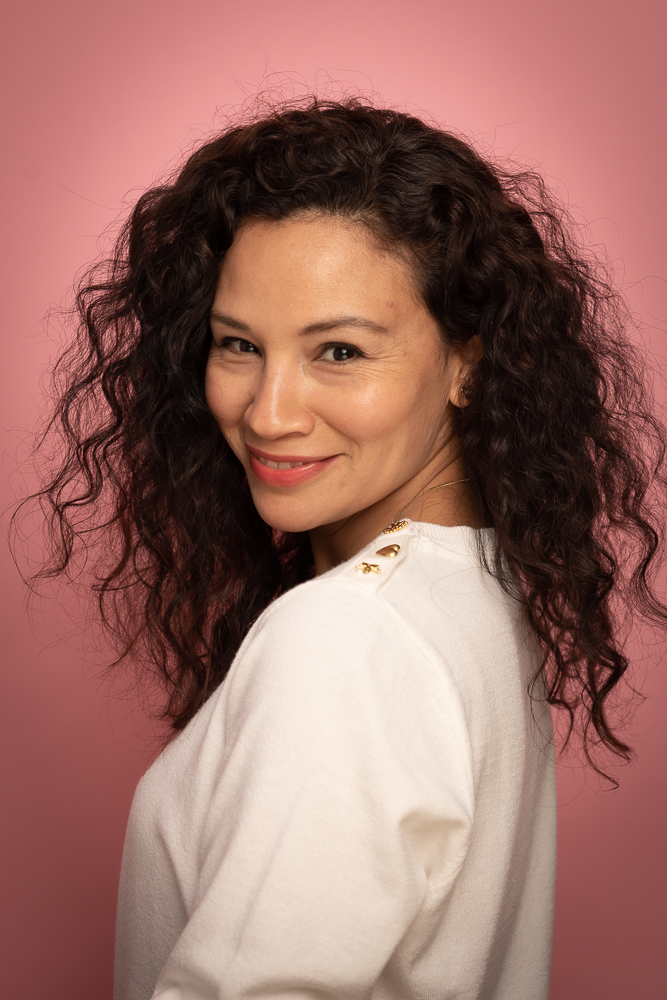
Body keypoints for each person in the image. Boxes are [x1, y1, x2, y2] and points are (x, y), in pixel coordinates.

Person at [18, 97, 667, 999]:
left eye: (340, 352)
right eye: (238, 344)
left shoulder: (348, 639)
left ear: (468, 362)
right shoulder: (468, 593)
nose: (268, 412)